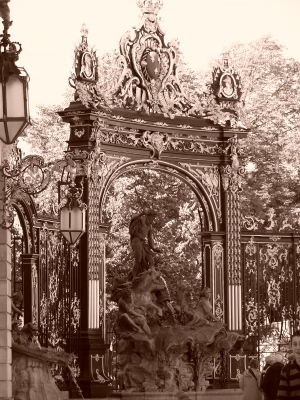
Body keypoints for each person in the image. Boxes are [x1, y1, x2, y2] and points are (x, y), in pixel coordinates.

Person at [129, 209, 162, 279]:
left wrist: (153, 248)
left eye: (154, 218)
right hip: (136, 241)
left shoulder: (149, 226)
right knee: (138, 259)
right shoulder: (140, 219)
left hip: (143, 243)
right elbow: (133, 217)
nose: (153, 220)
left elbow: (150, 238)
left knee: (151, 260)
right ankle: (134, 277)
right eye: (152, 217)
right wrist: (141, 213)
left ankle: (151, 277)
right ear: (148, 216)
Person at [277, 330, 300, 399]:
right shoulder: (286, 370)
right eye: (295, 344)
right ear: (291, 346)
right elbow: (282, 397)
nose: (298, 348)